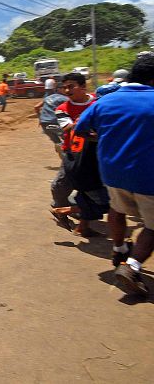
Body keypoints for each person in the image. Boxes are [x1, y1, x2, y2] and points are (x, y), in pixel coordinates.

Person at [74, 54, 154, 296]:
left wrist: (104, 139)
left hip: (112, 172)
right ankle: (132, 267)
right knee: (152, 226)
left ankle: (119, 249)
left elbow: (81, 129)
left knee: (116, 211)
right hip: (147, 176)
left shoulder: (105, 102)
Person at [48, 72, 98, 235]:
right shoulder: (62, 108)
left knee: (91, 189)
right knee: (60, 186)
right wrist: (83, 120)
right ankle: (61, 210)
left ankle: (84, 225)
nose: (67, 90)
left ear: (83, 86)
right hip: (73, 153)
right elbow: (67, 128)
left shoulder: (98, 103)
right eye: (65, 87)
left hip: (96, 153)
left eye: (71, 86)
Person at [34, 84, 69, 153]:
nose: (66, 90)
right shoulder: (64, 98)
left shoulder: (48, 97)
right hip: (55, 122)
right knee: (68, 139)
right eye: (64, 88)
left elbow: (36, 107)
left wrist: (40, 118)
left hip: (44, 123)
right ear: (58, 89)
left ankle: (60, 148)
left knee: (57, 142)